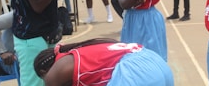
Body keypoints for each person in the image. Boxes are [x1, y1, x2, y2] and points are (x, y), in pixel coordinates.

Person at [34, 38, 174, 86]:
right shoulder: (85, 49)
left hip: (136, 75)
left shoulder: (55, 74)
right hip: (155, 62)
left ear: (44, 72)